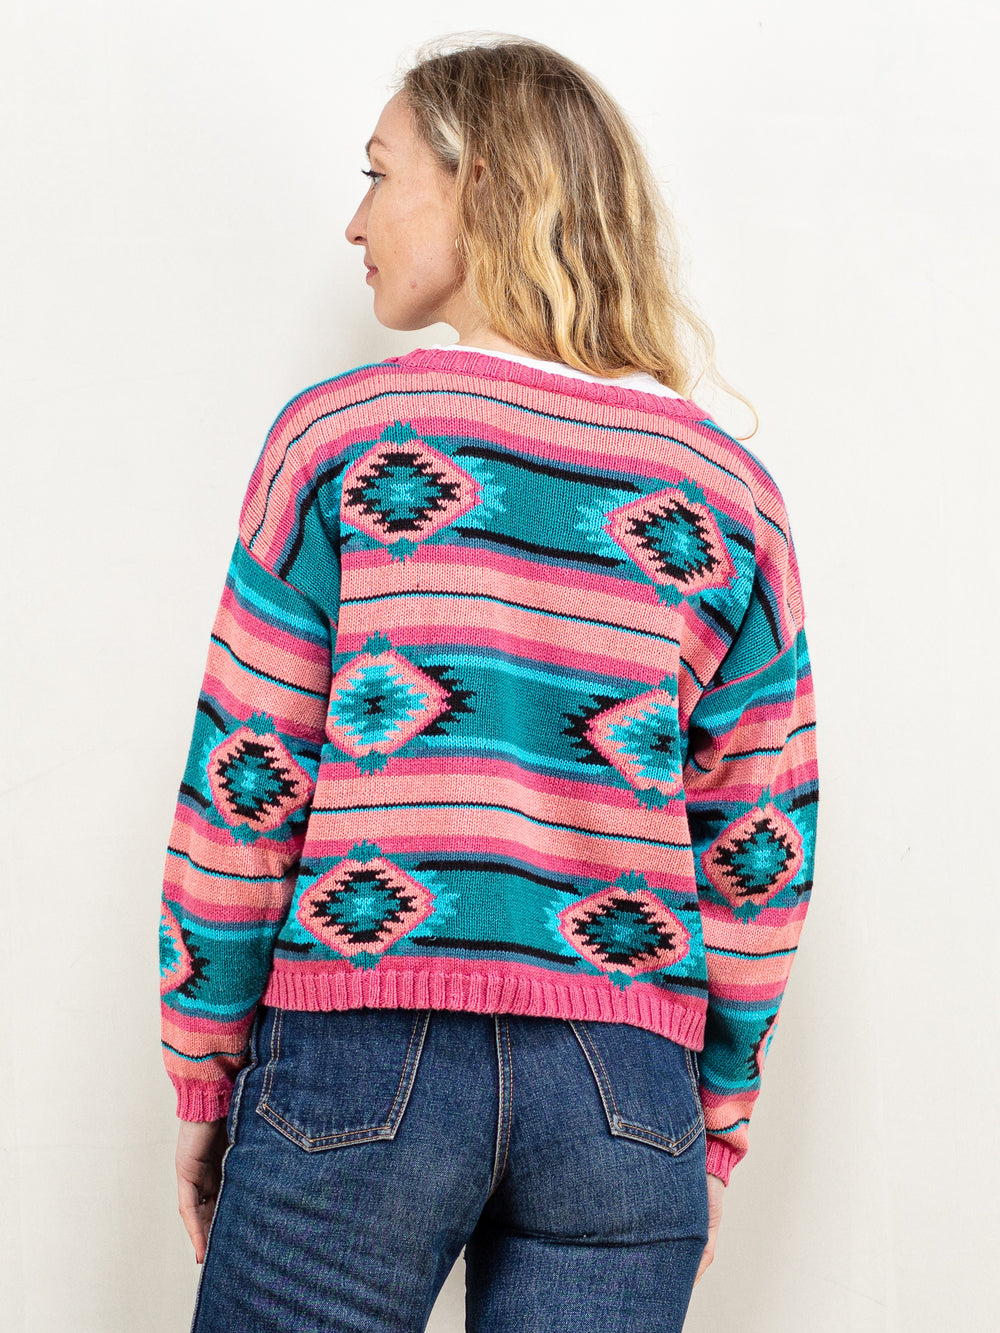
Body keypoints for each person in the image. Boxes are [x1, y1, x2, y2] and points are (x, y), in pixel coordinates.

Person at [161, 32, 818, 1332]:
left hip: (366, 1041)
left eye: (378, 172)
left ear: (482, 184)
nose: (354, 222)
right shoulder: (729, 496)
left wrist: (203, 1064)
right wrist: (715, 1112)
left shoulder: (341, 440)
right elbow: (761, 841)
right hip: (627, 1086)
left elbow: (246, 780)